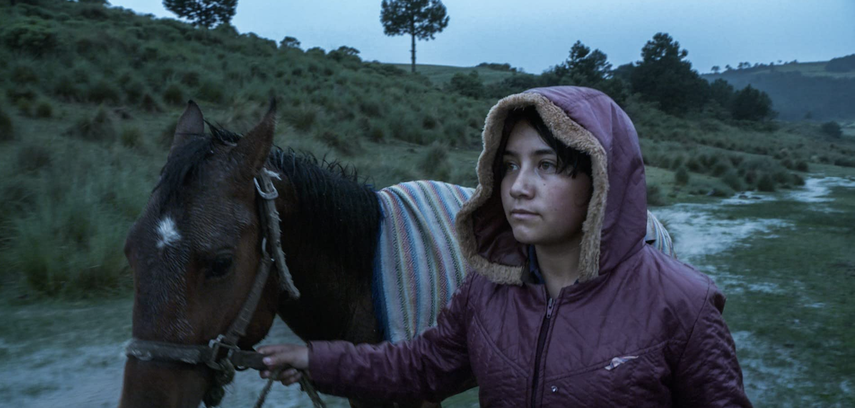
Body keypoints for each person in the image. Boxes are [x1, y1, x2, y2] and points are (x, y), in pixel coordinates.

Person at [259, 86, 752, 407]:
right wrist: (316, 360)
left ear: (603, 181)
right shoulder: (488, 289)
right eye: (510, 165)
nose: (518, 187)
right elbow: (420, 367)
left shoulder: (683, 307)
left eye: (547, 166)